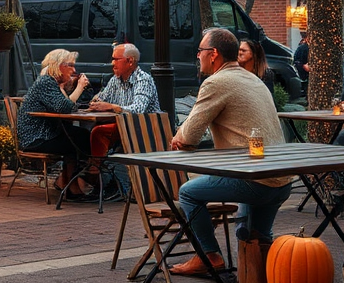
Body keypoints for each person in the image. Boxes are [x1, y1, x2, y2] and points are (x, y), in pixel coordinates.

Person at [168, 28, 291, 276]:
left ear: (213, 54)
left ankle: (209, 256)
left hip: (253, 180)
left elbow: (189, 135)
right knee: (256, 236)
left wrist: (181, 138)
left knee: (188, 193)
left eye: (200, 51)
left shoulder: (216, 82)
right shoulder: (253, 79)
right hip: (282, 179)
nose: (197, 56)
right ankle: (265, 274)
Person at [17, 48, 93, 199]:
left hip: (46, 134)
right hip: (36, 138)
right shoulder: (45, 82)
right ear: (59, 66)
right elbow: (64, 108)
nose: (74, 70)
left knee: (80, 136)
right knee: (80, 139)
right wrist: (79, 87)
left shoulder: (52, 82)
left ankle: (66, 182)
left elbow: (65, 105)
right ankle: (73, 185)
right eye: (70, 65)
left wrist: (65, 87)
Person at [86, 43, 159, 159]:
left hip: (143, 128)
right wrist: (96, 102)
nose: (112, 63)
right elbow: (102, 98)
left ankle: (94, 169)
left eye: (116, 59)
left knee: (98, 132)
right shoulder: (115, 79)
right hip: (124, 125)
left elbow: (138, 110)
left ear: (130, 61)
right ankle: (88, 168)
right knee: (83, 133)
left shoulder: (143, 80)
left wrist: (111, 107)